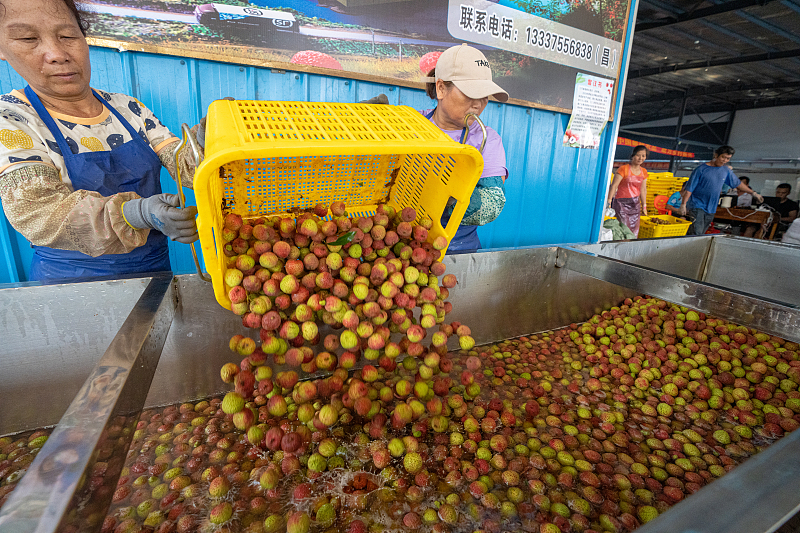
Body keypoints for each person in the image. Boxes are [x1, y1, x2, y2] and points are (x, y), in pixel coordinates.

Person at [0, 0, 202, 281]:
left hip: (155, 275)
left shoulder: (128, 109)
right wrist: (137, 212)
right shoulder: (11, 120)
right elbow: (38, 213)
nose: (57, 53)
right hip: (73, 287)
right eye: (28, 39)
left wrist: (208, 139)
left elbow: (187, 168)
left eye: (68, 36)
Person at [421, 44, 508, 253]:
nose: (478, 104)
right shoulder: (411, 125)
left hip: (457, 249)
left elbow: (492, 203)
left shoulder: (488, 140)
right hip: (404, 241)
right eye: (471, 93)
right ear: (441, 88)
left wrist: (443, 194)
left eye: (485, 95)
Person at [679, 146, 763, 235]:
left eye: (728, 158)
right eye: (723, 157)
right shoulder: (701, 169)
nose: (725, 160)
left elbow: (738, 184)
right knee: (696, 232)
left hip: (711, 208)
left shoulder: (725, 170)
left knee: (701, 233)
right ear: (716, 155)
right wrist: (683, 204)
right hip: (697, 204)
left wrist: (753, 193)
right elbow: (689, 188)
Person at [607, 145, 648, 236]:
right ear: (633, 155)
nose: (640, 158)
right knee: (623, 230)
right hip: (621, 204)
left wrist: (644, 206)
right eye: (638, 155)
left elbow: (643, 189)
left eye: (643, 156)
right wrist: (609, 201)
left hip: (635, 205)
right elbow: (614, 186)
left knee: (634, 231)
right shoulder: (623, 169)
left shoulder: (644, 171)